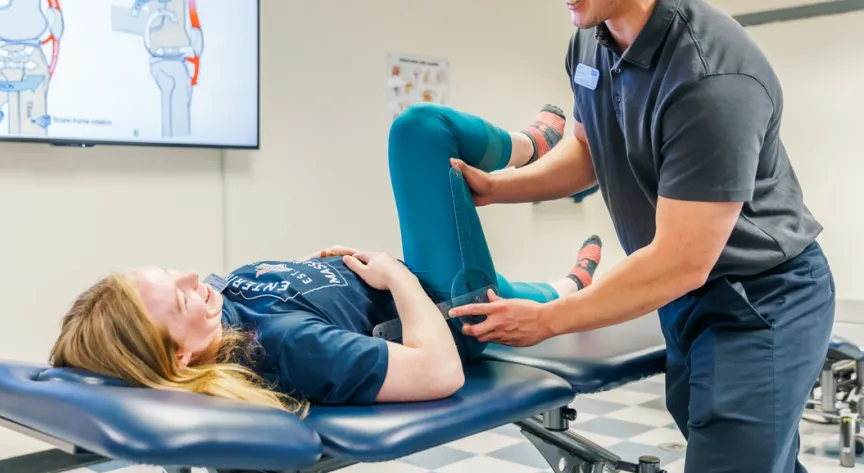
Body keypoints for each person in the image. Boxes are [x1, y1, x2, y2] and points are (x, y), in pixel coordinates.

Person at [447, 0, 835, 473]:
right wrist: (496, 187)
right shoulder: (591, 40)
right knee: (756, 465)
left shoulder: (713, 77)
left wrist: (548, 318)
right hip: (689, 296)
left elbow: (683, 258)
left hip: (763, 300)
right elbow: (588, 150)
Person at [50, 103, 601, 411]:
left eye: (172, 272)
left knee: (495, 281)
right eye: (178, 295)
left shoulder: (223, 309)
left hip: (436, 287)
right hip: (448, 309)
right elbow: (439, 372)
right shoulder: (286, 347)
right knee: (419, 132)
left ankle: (571, 285)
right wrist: (395, 275)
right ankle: (530, 146)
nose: (193, 276)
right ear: (182, 358)